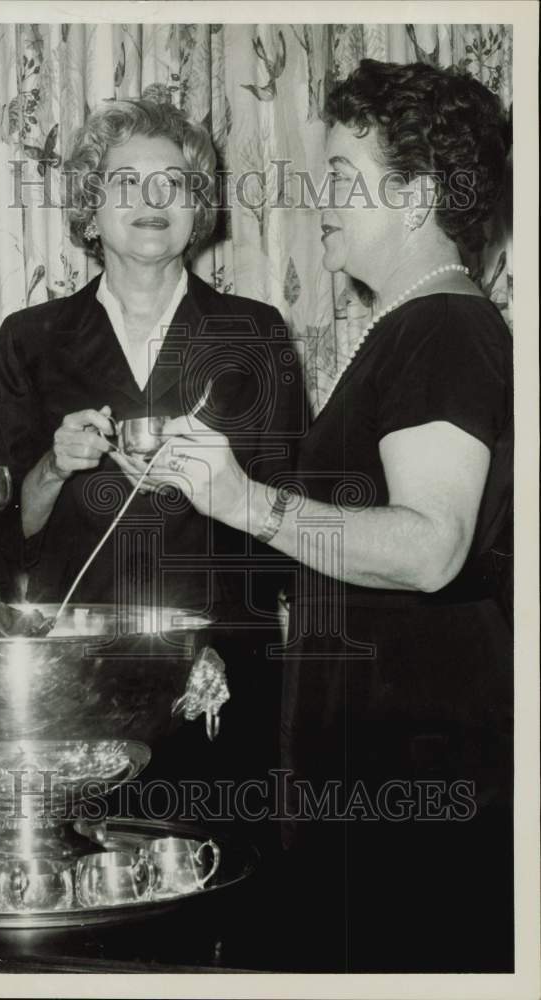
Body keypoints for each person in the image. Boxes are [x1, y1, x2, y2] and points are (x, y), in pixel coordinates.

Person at [146, 61, 513, 970]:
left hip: (415, 775)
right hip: (381, 765)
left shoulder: (444, 331)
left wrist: (247, 500)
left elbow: (430, 547)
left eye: (345, 177)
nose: (323, 200)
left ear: (420, 196)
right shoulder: (412, 327)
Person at [0, 99, 304, 809]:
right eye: (126, 181)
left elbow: (289, 519)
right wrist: (54, 465)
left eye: (175, 183)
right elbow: (3, 532)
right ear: (90, 208)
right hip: (80, 675)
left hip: (221, 673)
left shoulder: (253, 333)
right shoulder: (31, 338)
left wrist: (224, 646)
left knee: (225, 884)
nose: (152, 200)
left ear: (199, 208)